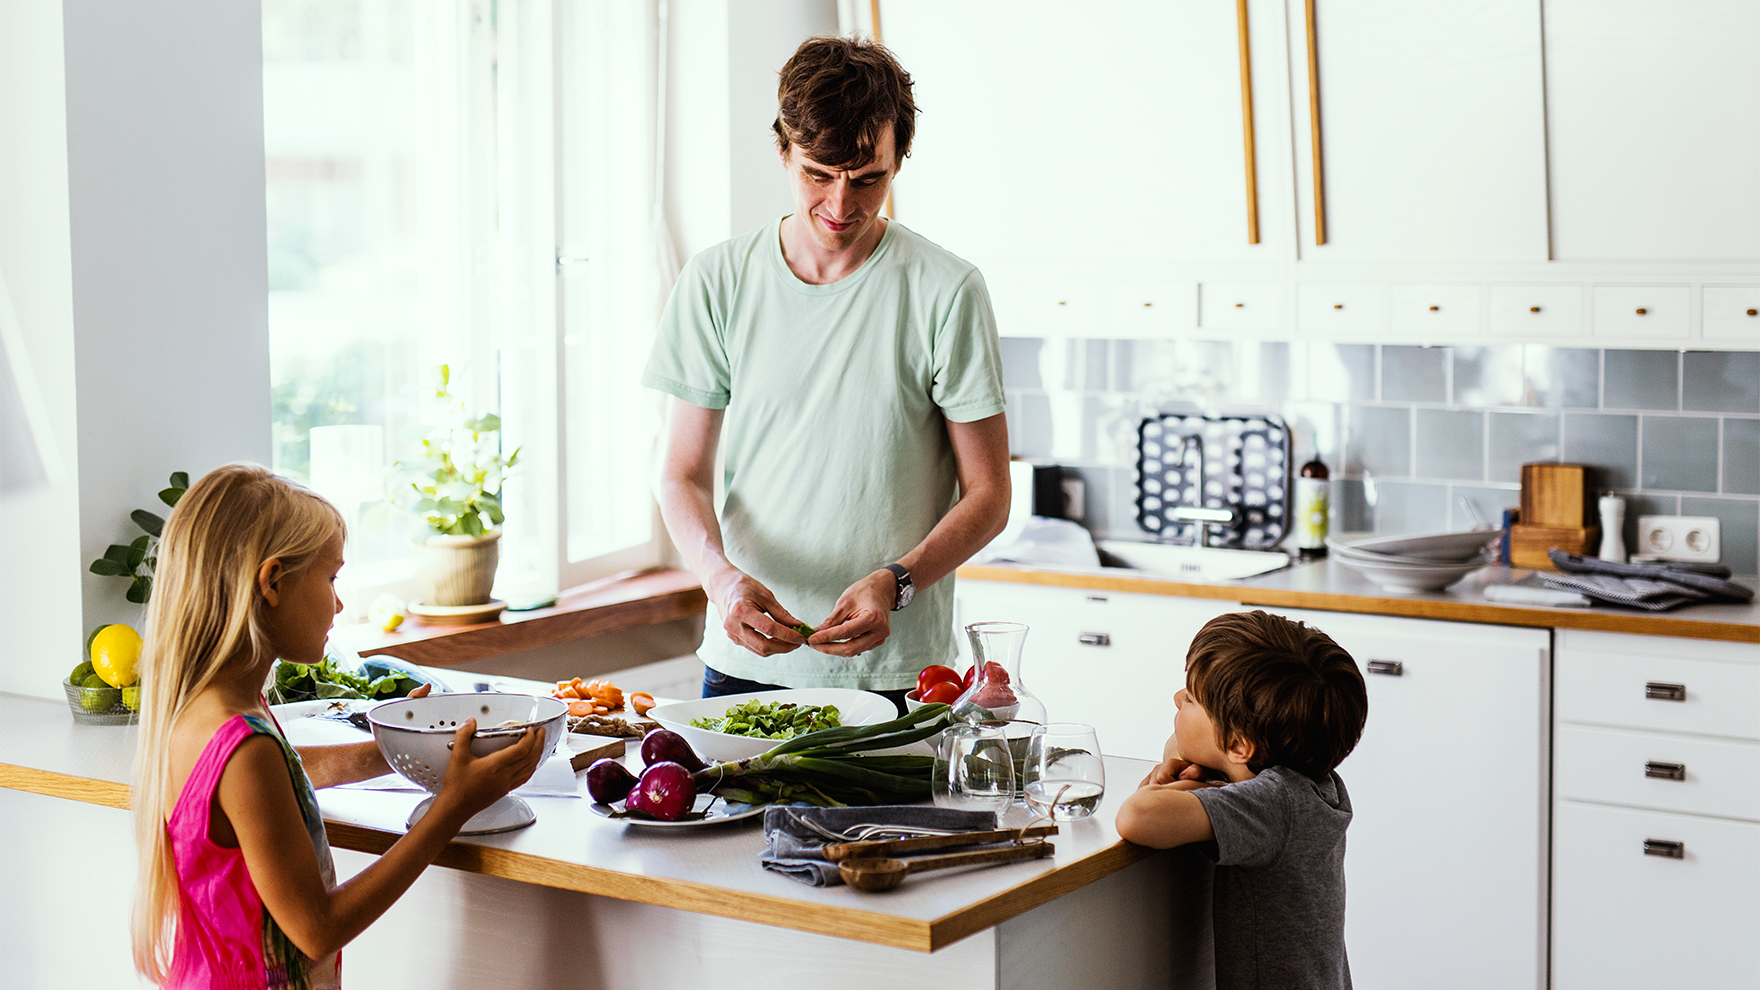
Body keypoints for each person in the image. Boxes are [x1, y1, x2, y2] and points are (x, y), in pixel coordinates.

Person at [644, 36, 1010, 702]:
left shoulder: (946, 289)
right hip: (744, 660)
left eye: (869, 179)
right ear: (784, 149)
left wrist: (896, 583)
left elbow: (989, 496)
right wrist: (721, 580)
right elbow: (681, 475)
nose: (841, 205)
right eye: (818, 172)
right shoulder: (716, 281)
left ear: (900, 160)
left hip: (899, 673)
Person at [130, 463, 543, 988]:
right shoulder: (243, 747)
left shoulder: (206, 709)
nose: (340, 603)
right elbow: (317, 930)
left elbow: (284, 782)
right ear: (274, 582)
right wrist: (452, 807)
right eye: (331, 578)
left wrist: (404, 748)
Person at [1115, 610, 1370, 990]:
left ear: (1237, 744)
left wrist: (1198, 790)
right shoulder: (1312, 781)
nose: (1176, 698)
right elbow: (1180, 746)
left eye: (1191, 700)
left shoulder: (1271, 805)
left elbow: (1136, 817)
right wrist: (1201, 772)